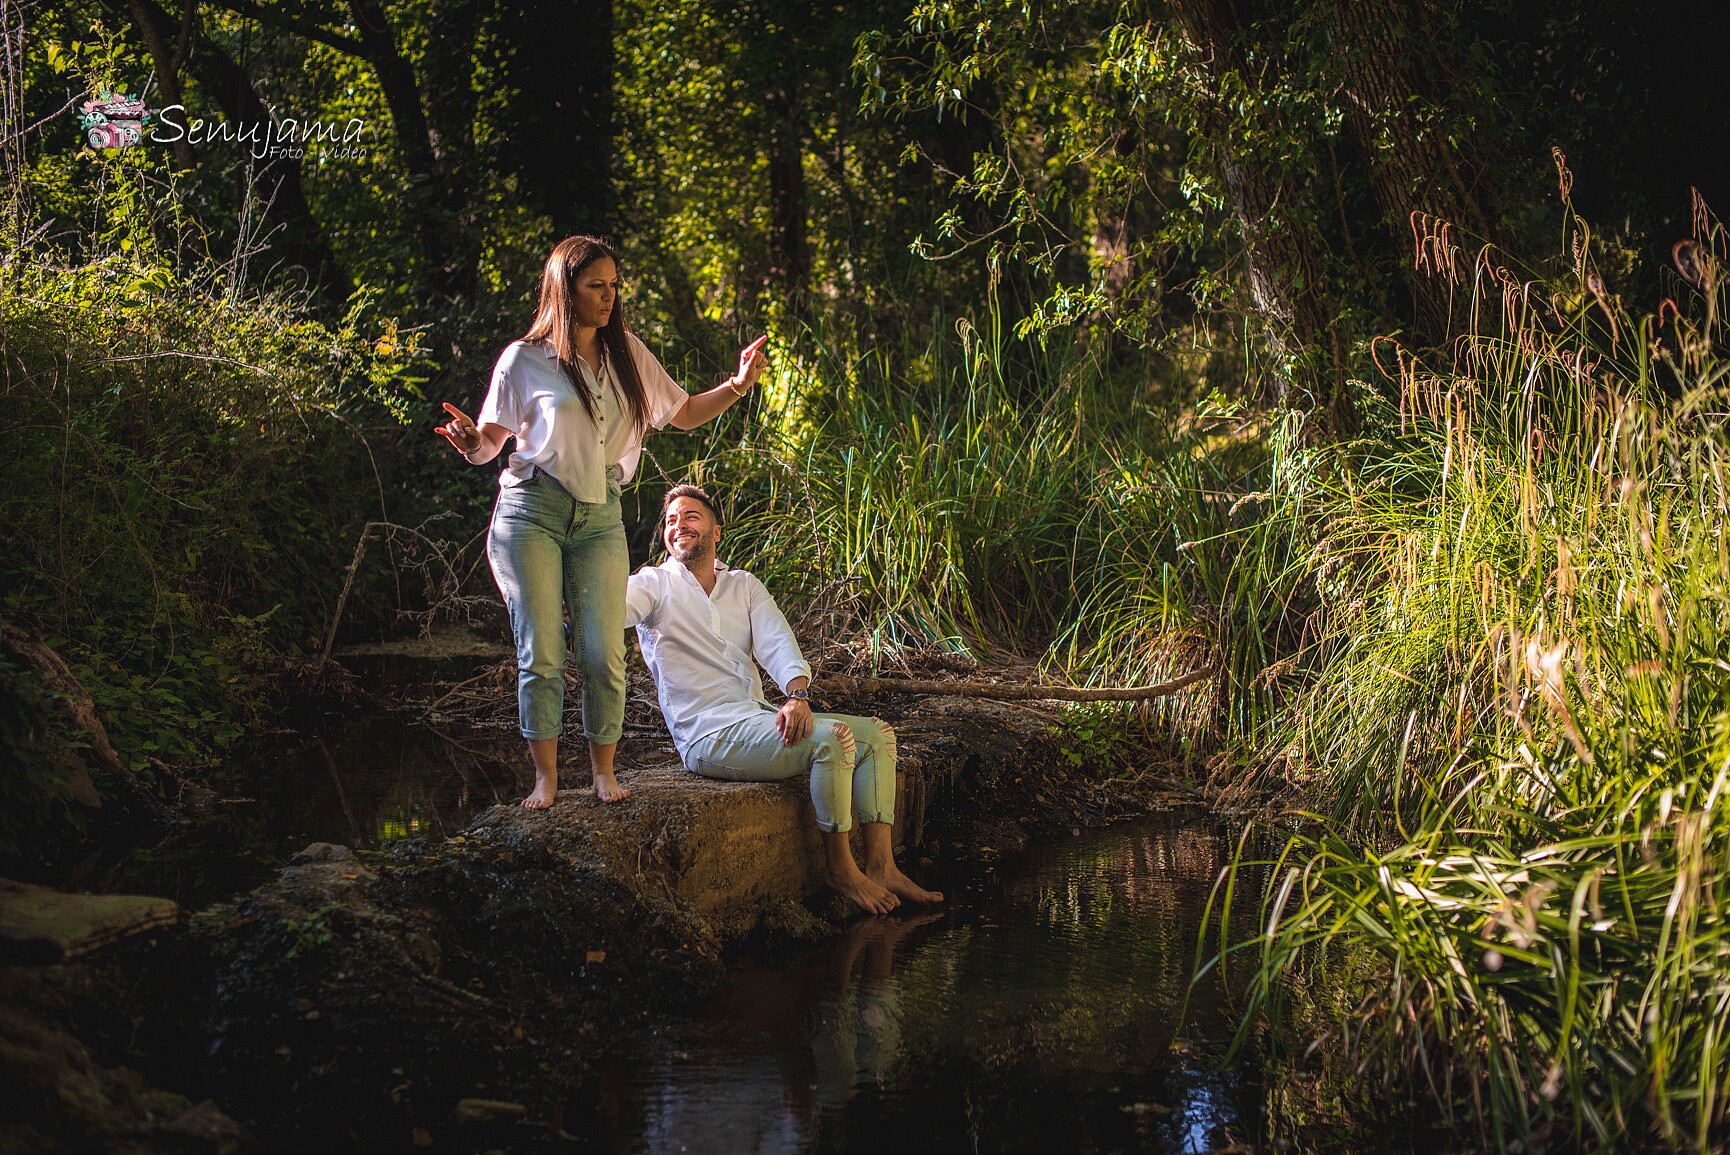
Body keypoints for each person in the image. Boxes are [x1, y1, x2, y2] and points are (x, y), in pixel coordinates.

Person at [435, 236, 769, 809]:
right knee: (541, 650)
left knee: (601, 651)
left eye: (615, 285)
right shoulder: (524, 359)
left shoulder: (628, 355)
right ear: (565, 290)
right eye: (597, 285)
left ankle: (602, 772)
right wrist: (469, 444)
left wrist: (737, 386)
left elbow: (683, 412)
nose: (610, 296)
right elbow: (490, 444)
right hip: (532, 512)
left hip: (599, 517)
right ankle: (545, 780)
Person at [625, 484, 944, 914]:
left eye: (690, 517)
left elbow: (777, 642)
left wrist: (797, 696)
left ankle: (882, 865)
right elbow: (612, 608)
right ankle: (840, 870)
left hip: (753, 716)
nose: (678, 525)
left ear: (716, 531)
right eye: (671, 521)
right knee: (832, 741)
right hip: (706, 733)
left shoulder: (742, 585)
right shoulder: (653, 585)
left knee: (878, 736)